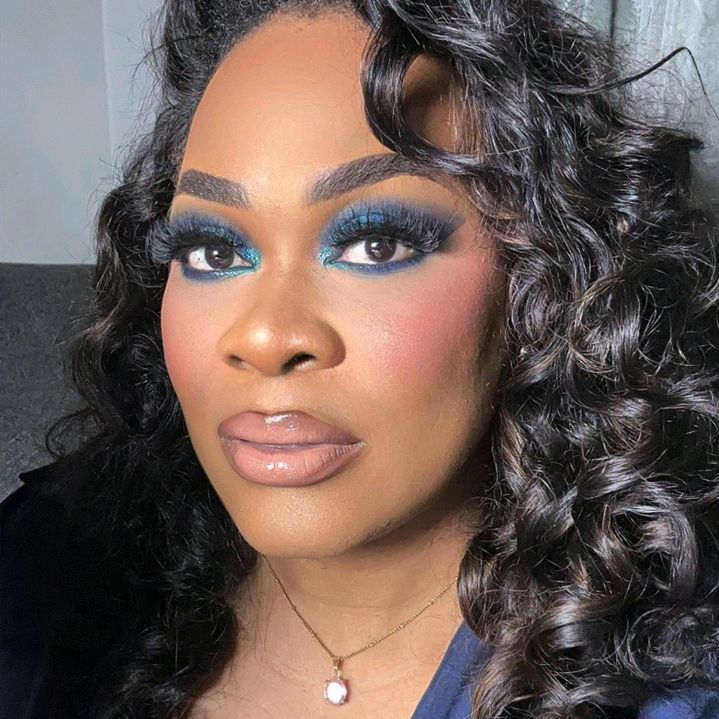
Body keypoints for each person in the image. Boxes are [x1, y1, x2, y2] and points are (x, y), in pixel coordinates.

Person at [2, 0, 719, 717]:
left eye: (377, 243)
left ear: (542, 283)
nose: (264, 337)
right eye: (213, 250)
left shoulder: (672, 683)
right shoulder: (45, 569)